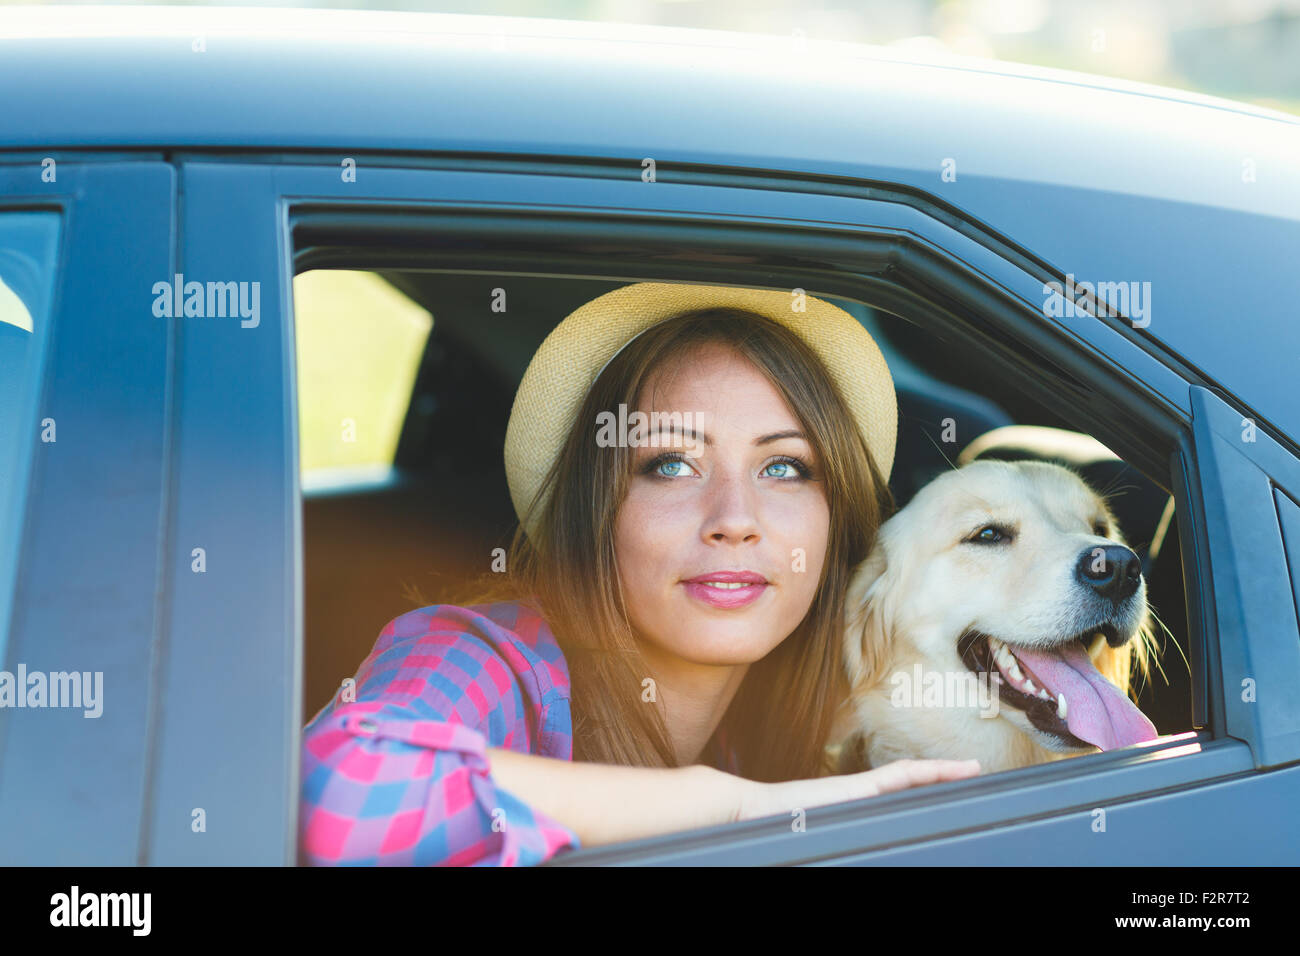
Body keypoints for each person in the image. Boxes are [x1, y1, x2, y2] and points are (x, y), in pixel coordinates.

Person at [298, 281, 981, 866]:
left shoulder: (787, 718)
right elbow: (344, 796)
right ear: (599, 511)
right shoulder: (486, 658)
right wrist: (729, 807)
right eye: (671, 464)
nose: (735, 519)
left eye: (784, 468)